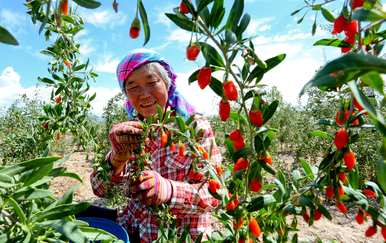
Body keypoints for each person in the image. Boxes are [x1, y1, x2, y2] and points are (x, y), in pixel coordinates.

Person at [89, 49, 222, 242]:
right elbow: (101, 190)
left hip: (179, 237)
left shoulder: (194, 128)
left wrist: (168, 190)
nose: (144, 94)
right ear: (126, 94)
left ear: (167, 84)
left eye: (152, 83)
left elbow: (215, 195)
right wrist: (117, 158)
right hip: (133, 230)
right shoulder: (130, 132)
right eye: (132, 87)